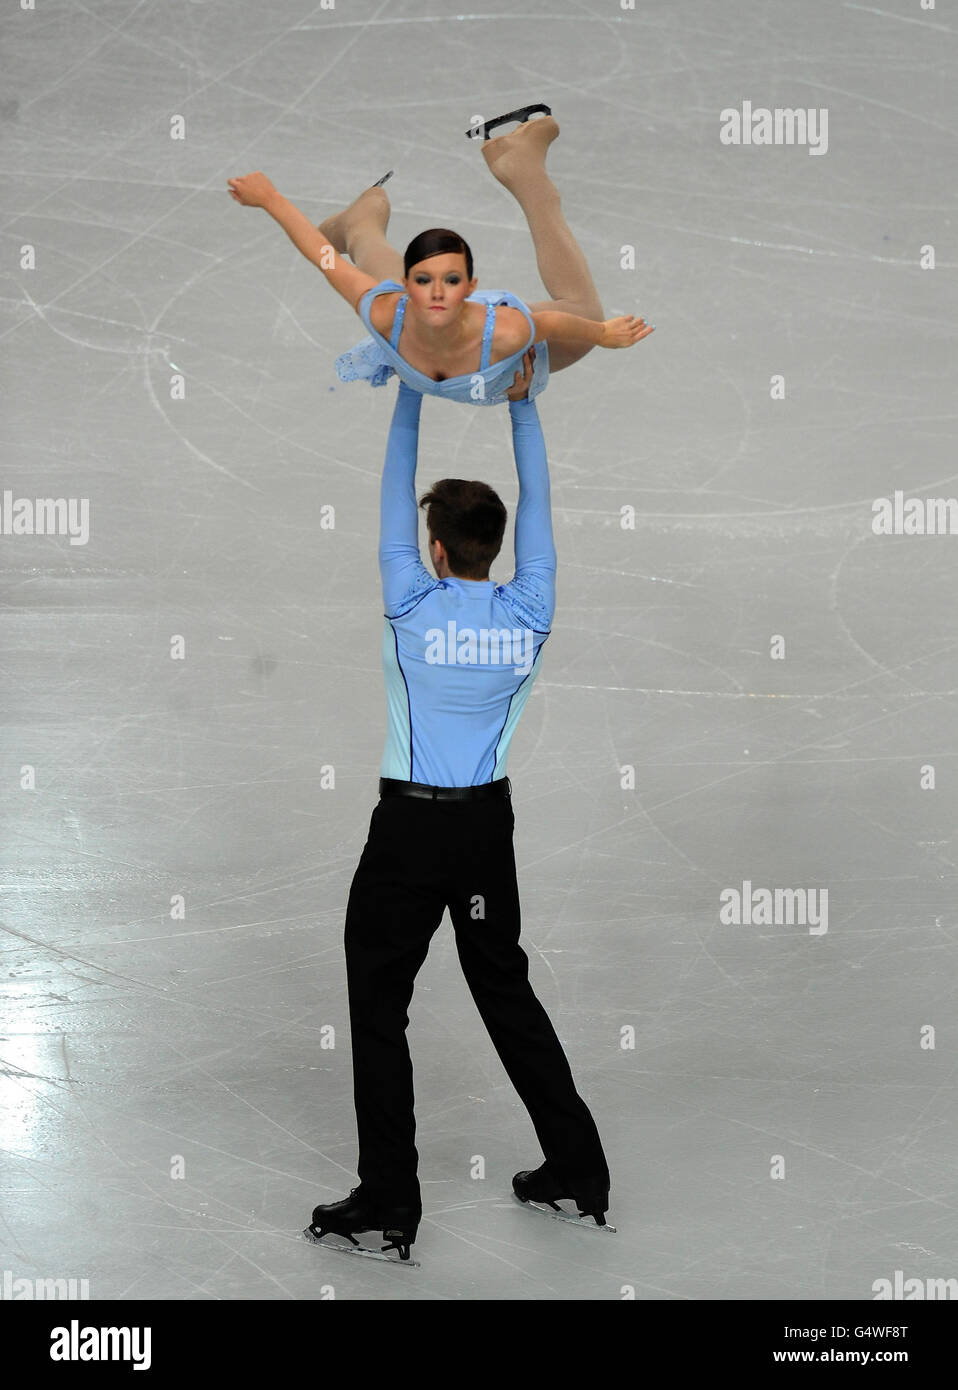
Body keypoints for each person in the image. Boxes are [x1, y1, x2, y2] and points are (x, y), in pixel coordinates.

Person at [303, 350, 611, 1265]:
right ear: (497, 546)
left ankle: (390, 1201)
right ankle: (577, 1169)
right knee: (504, 990)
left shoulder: (408, 599)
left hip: (407, 835)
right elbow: (543, 509)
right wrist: (524, 406)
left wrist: (409, 383)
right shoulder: (531, 606)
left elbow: (394, 489)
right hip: (484, 835)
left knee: (377, 1005)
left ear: (435, 549)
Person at [228, 111, 654, 406]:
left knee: (582, 316)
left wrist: (600, 334)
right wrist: (269, 198)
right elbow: (322, 256)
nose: (436, 293)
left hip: (479, 356)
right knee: (585, 309)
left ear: (472, 288)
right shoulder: (387, 307)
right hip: (447, 343)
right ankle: (522, 169)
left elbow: (554, 323)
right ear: (407, 284)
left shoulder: (503, 328)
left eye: (451, 281)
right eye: (424, 281)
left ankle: (362, 220)